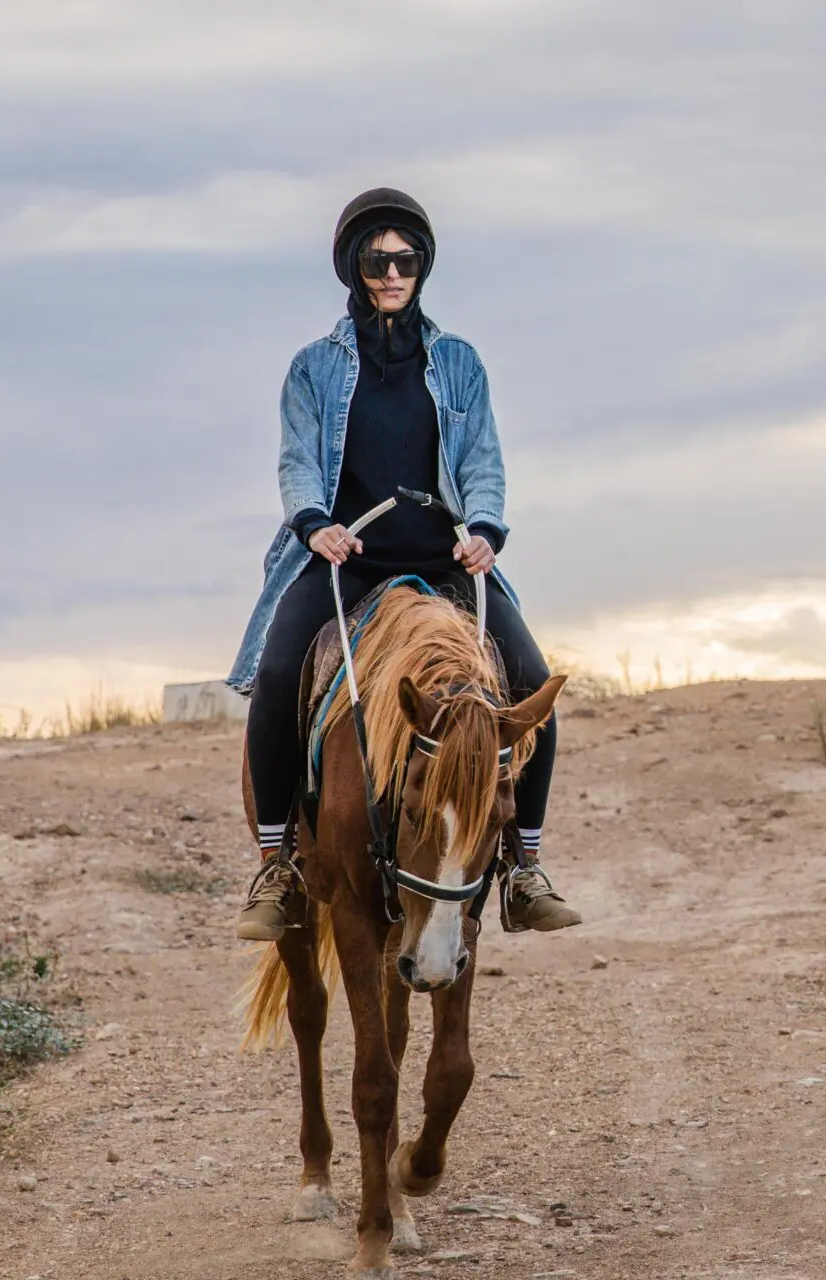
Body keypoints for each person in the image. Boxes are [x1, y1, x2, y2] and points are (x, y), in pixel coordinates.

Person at [226, 188, 579, 940]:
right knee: (282, 669)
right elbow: (297, 463)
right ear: (354, 269)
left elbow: (483, 459)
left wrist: (484, 528)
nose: (392, 274)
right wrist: (315, 525)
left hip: (443, 558)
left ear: (423, 267)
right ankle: (279, 864)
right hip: (346, 559)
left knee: (527, 681)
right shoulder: (313, 368)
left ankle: (524, 866)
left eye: (406, 260)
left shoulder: (457, 362)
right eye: (377, 260)